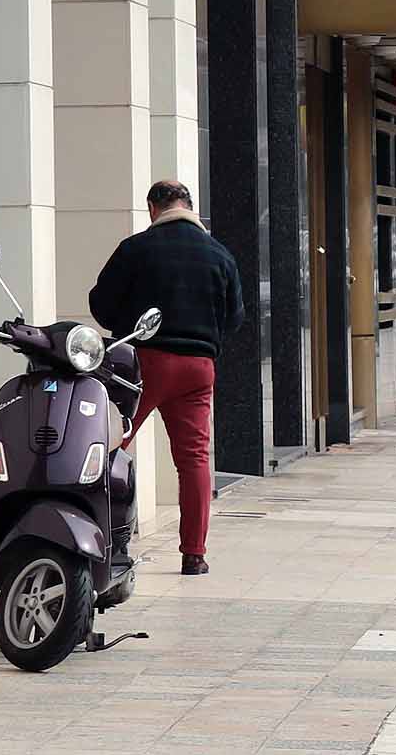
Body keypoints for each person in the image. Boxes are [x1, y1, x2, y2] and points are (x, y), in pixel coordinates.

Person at [90, 180, 245, 576]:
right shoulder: (220, 254)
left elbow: (101, 304)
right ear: (190, 206)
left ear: (153, 209)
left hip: (144, 364)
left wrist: (128, 327)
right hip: (198, 367)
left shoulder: (136, 248)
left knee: (108, 445)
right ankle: (194, 553)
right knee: (194, 459)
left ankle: (102, 542)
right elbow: (236, 317)